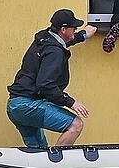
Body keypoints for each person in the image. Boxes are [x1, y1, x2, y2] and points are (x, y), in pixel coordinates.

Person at [7, 9, 97, 148]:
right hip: (28, 106)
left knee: (39, 151)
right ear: (63, 29)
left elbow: (61, 43)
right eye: (74, 27)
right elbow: (45, 84)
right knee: (75, 125)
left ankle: (42, 167)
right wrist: (71, 103)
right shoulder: (54, 52)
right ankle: (57, 165)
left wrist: (82, 35)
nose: (76, 29)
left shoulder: (44, 38)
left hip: (15, 105)